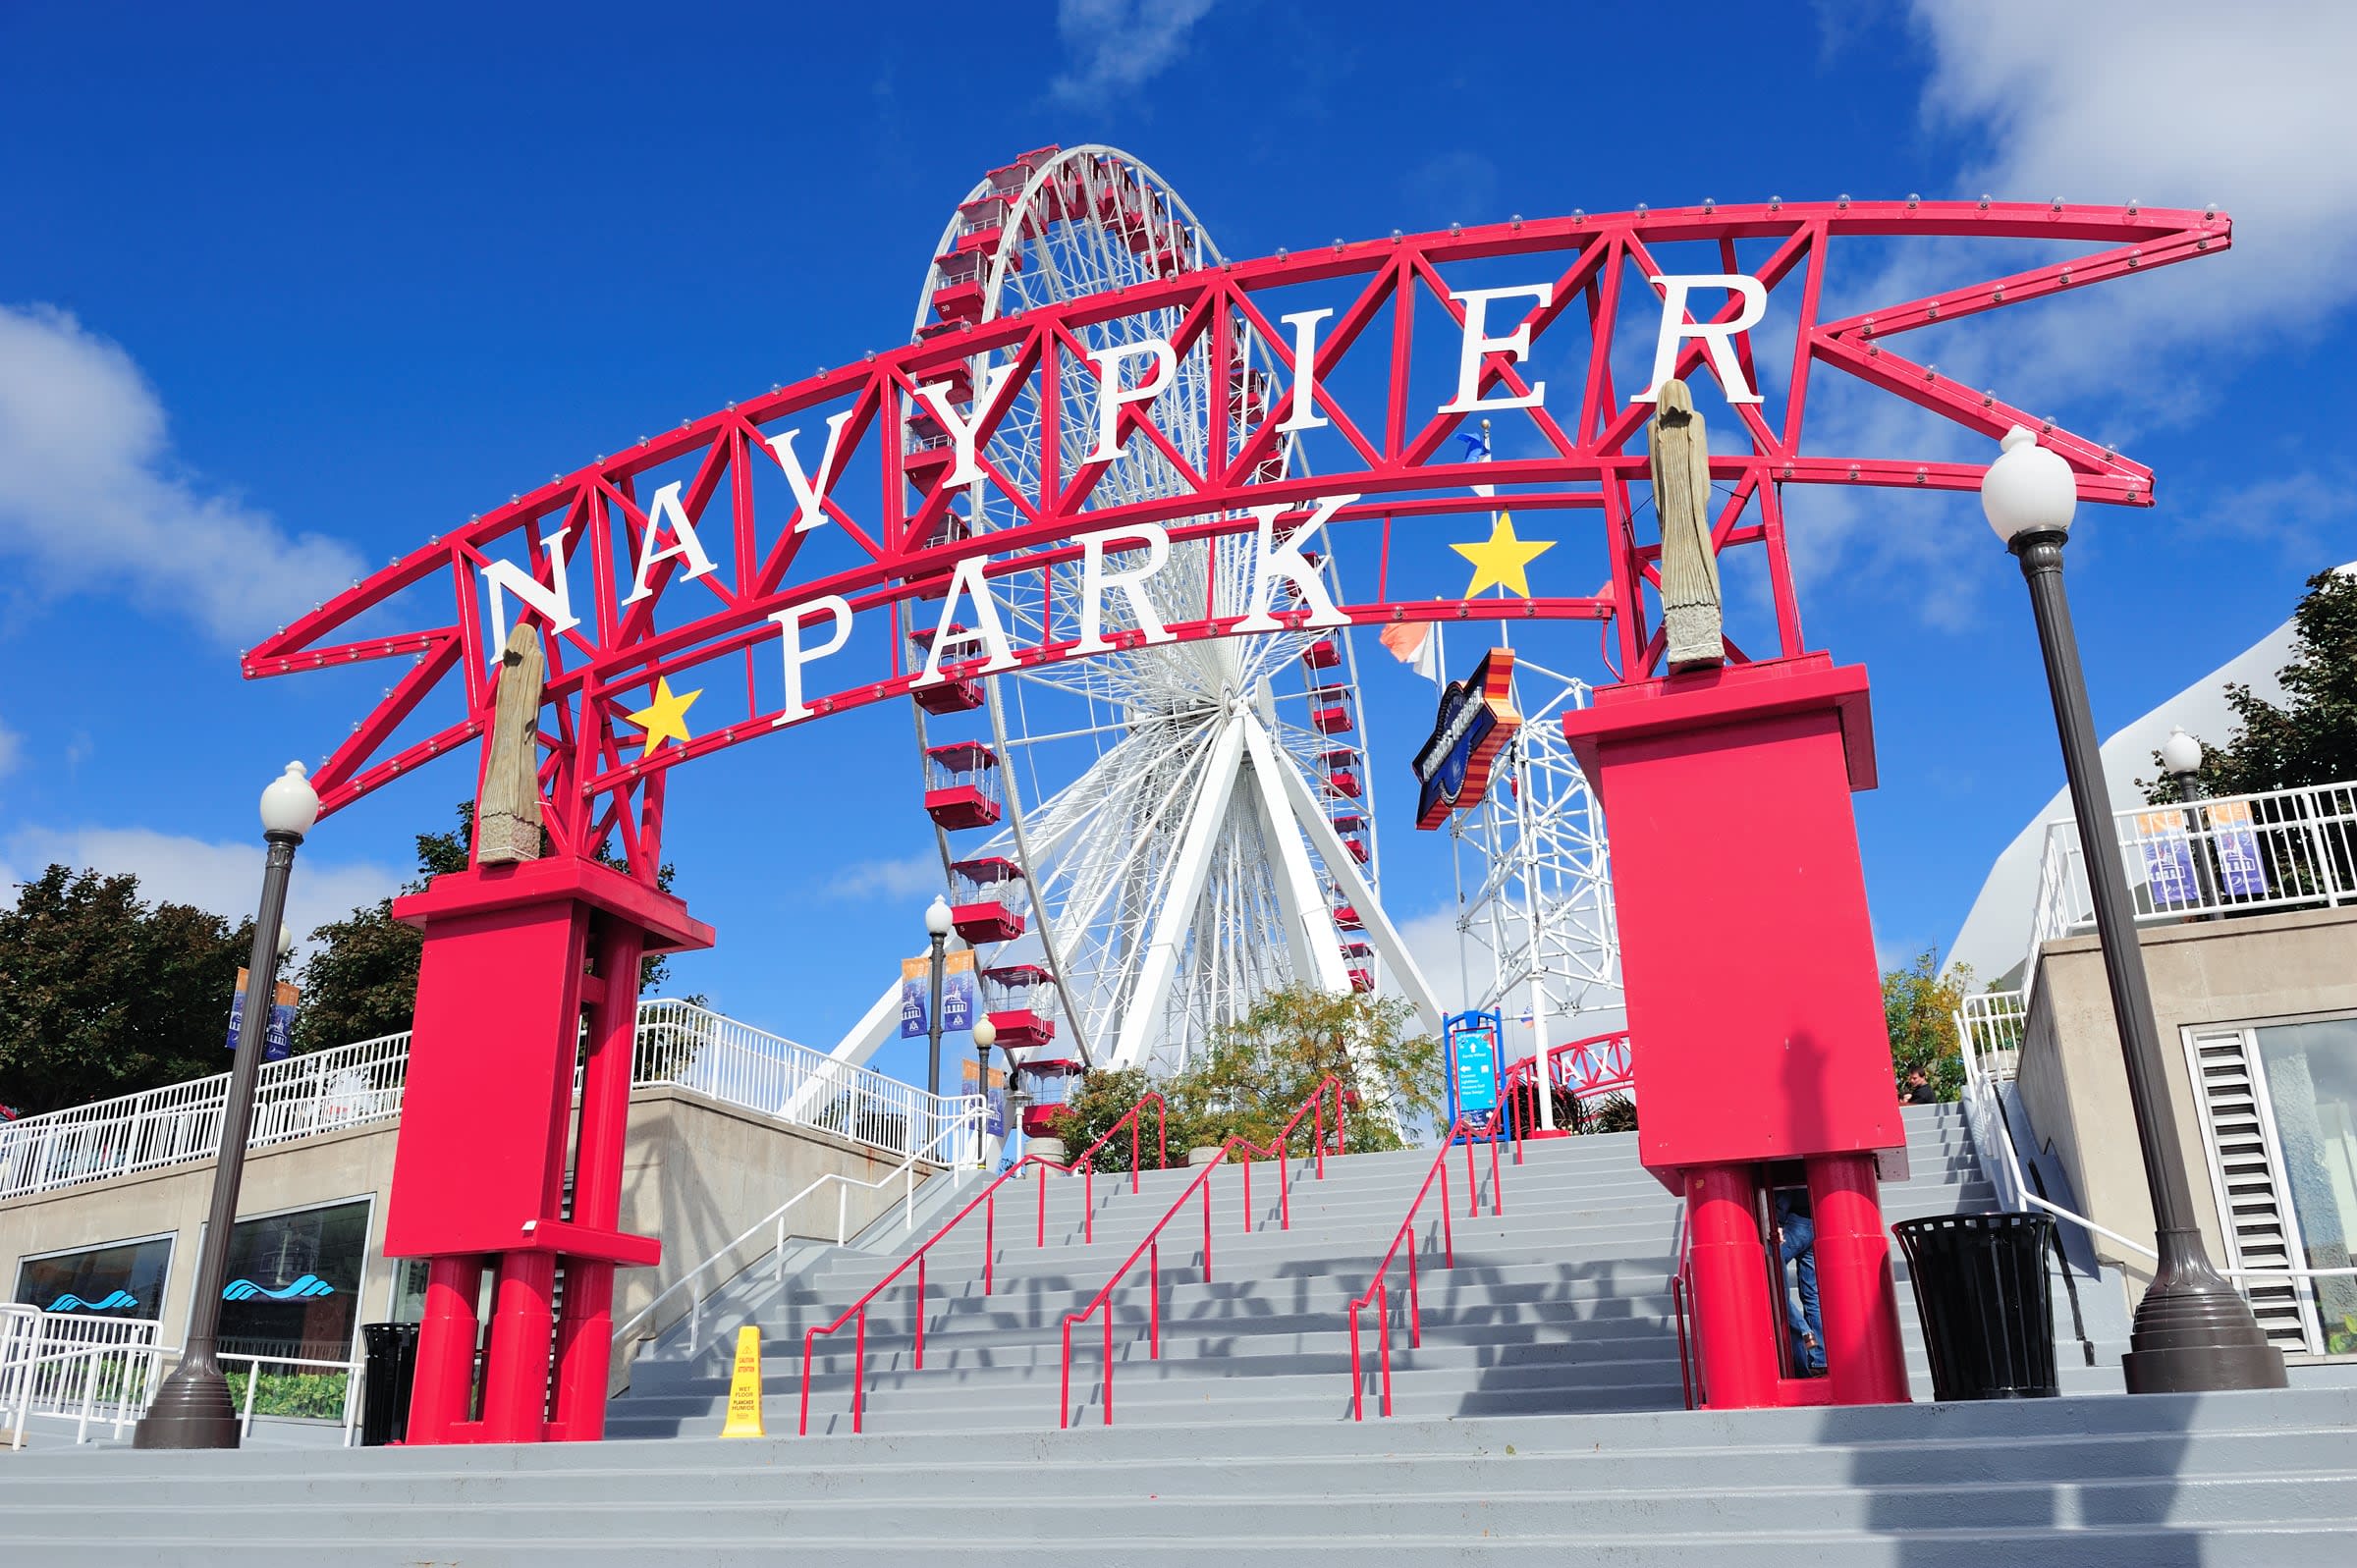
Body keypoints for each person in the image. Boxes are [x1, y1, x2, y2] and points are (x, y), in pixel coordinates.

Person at [1773, 1187, 1826, 1376]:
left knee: (1773, 1281)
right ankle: (1819, 1359)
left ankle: (1804, 1331)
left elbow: (1786, 1187)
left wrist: (1777, 1221)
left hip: (1794, 1223)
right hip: (1814, 1220)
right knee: (1812, 1295)